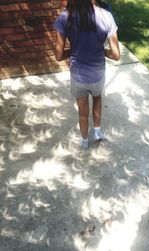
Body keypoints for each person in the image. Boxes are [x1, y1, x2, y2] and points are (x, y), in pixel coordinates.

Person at [54, 0, 120, 149]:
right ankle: (97, 131)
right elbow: (116, 55)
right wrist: (102, 51)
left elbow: (58, 56)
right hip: (97, 74)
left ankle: (84, 141)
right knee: (97, 99)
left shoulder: (65, 17)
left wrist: (75, 50)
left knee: (82, 113)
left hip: (78, 75)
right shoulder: (106, 15)